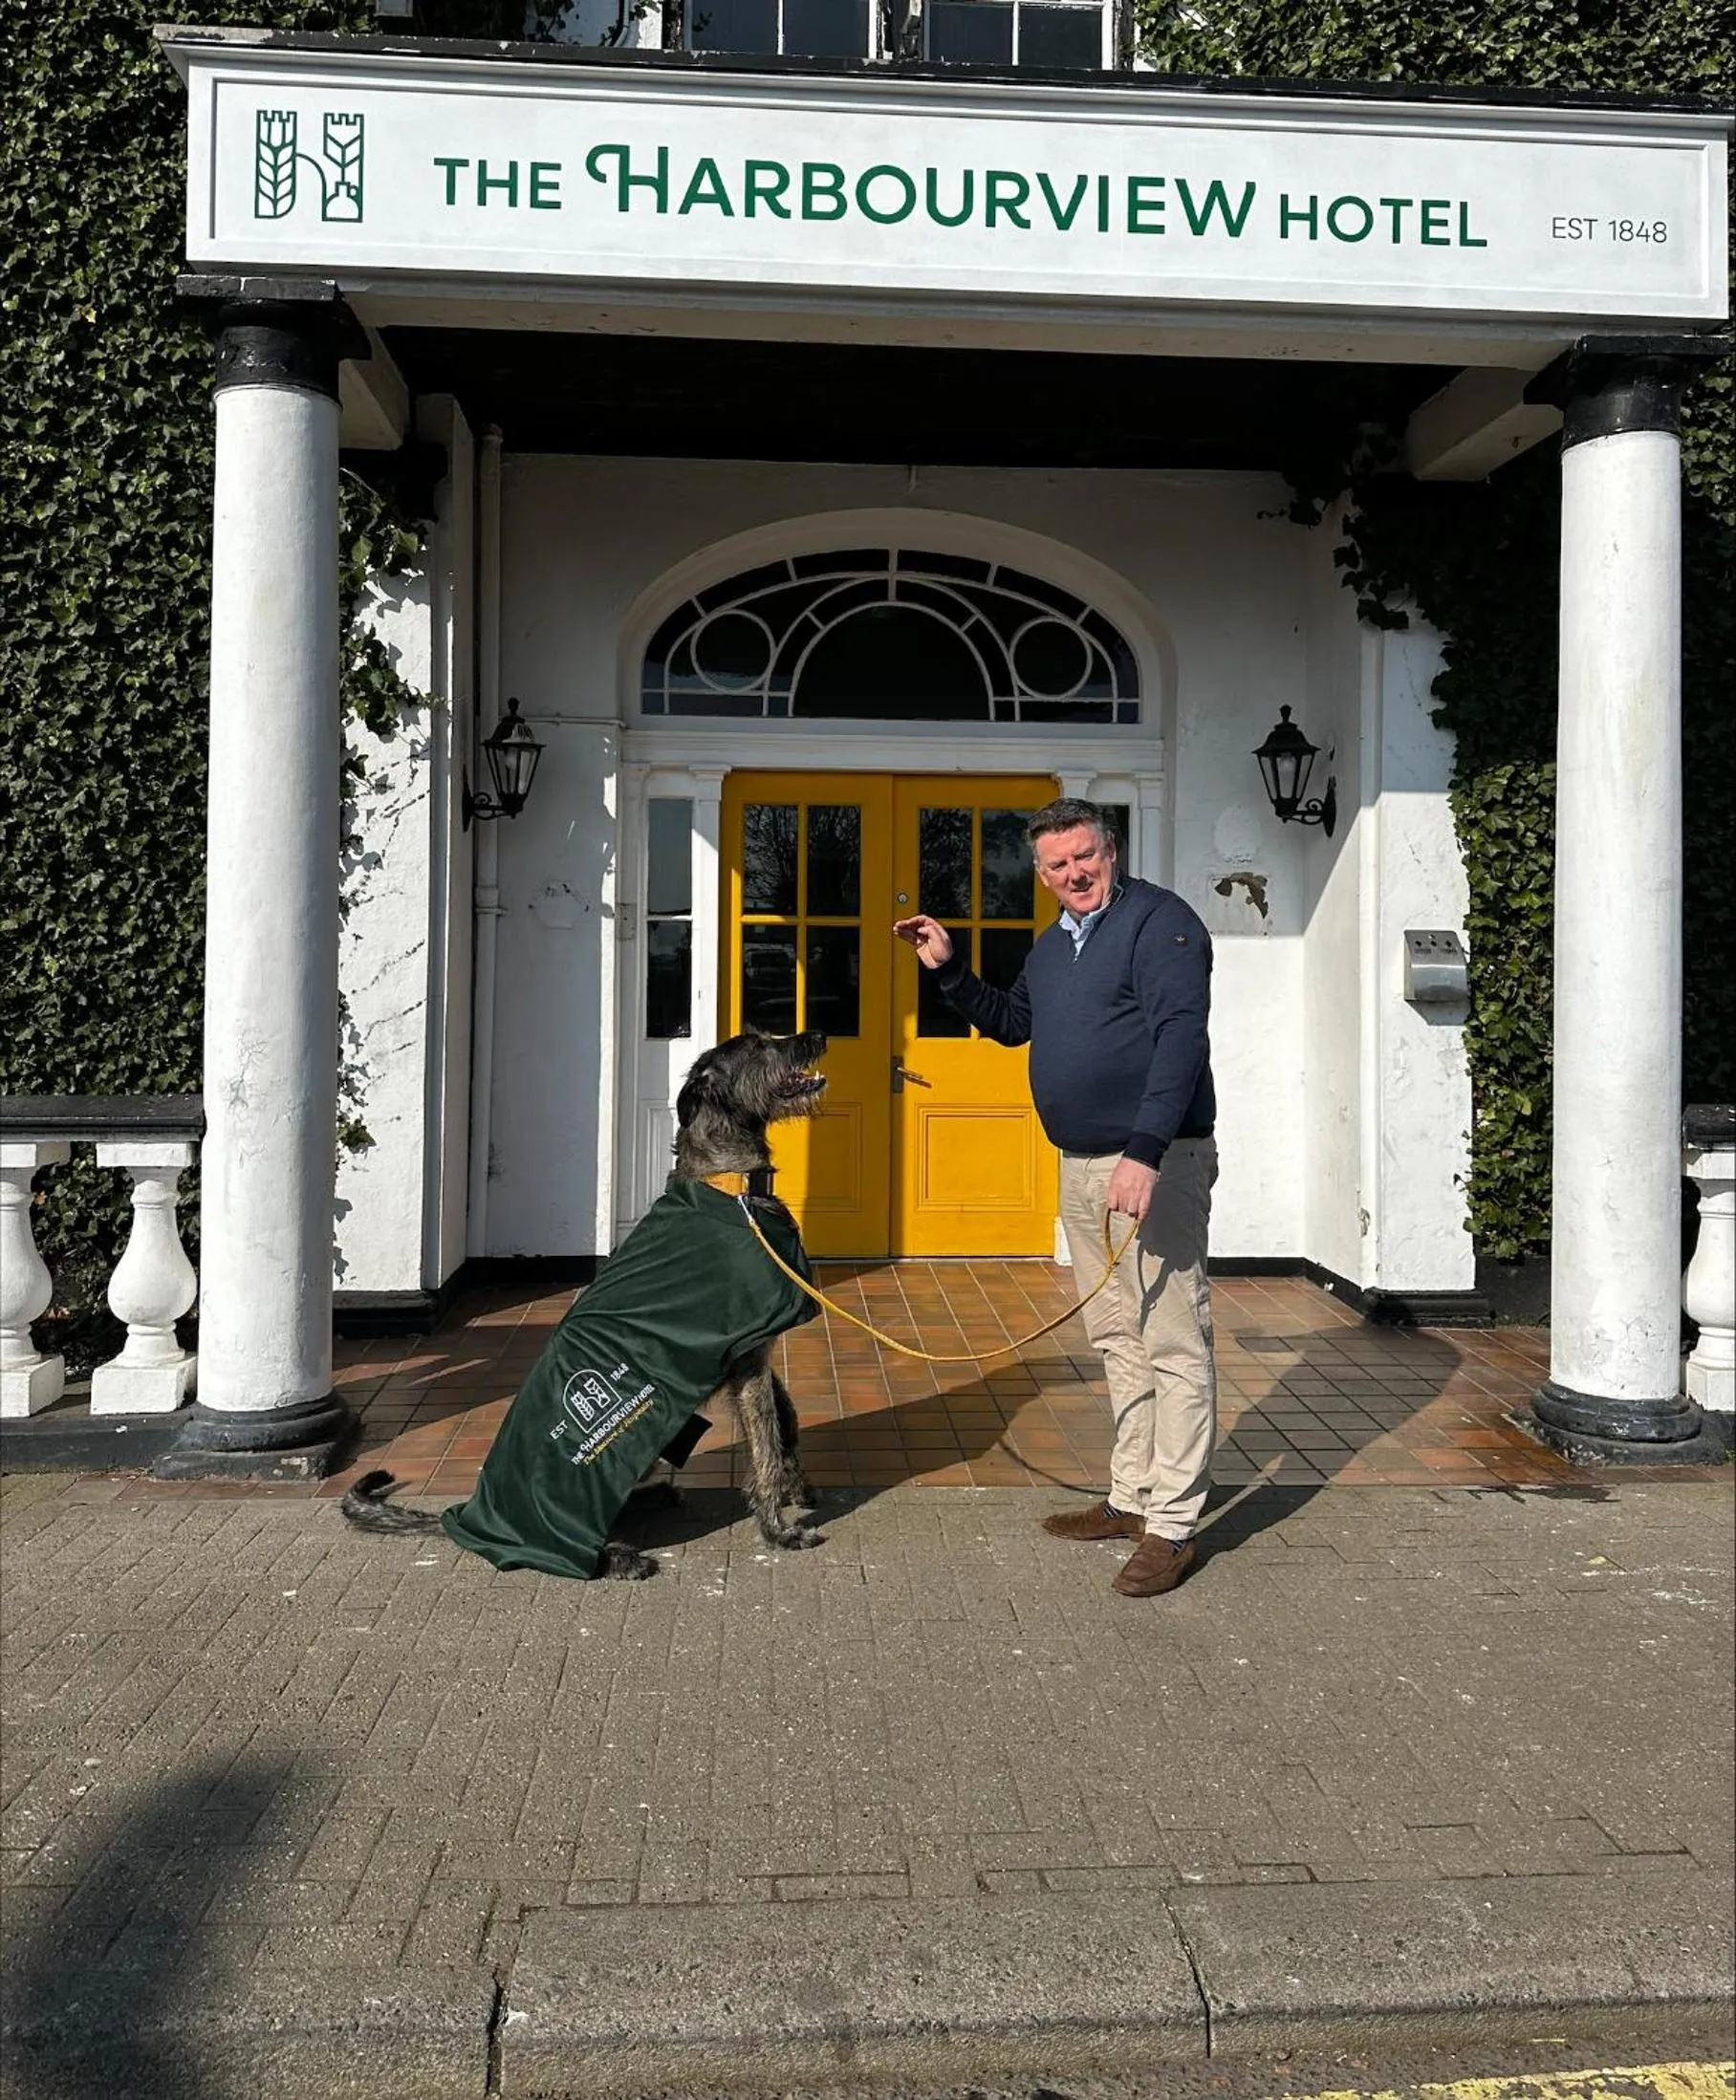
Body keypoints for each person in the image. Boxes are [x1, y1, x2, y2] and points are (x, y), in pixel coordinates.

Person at [894, 797, 1217, 1598]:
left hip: (1155, 1159)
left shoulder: (1162, 924)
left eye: (1085, 856)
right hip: (1081, 1163)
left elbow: (1182, 1036)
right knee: (1116, 1335)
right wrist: (949, 967)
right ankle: (1131, 1494)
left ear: (1110, 850)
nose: (1074, 873)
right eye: (1056, 864)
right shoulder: (1055, 946)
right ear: (1040, 875)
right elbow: (1011, 1024)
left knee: (1172, 1337)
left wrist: (1144, 1151)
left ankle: (1172, 1525)